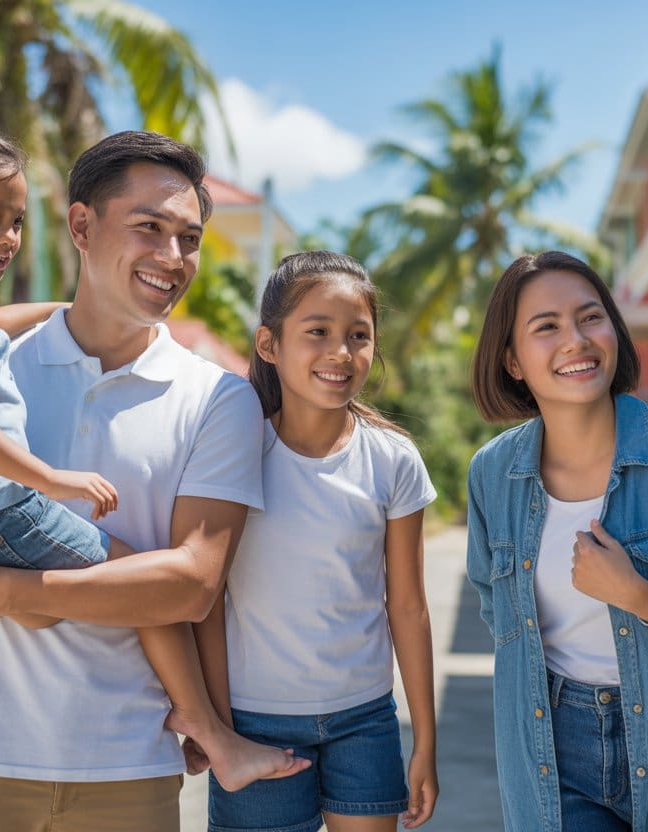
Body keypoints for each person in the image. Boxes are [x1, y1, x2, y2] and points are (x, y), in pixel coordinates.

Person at [0, 130, 307, 832]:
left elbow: (192, 584)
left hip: (124, 766)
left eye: (188, 238)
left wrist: (5, 591)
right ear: (80, 225)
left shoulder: (219, 400)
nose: (172, 257)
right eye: (149, 229)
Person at [465, 250, 648, 832]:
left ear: (615, 331)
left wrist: (640, 596)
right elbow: (493, 604)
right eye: (546, 327)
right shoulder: (491, 474)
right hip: (554, 746)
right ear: (513, 361)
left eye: (590, 317)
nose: (575, 339)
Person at [207, 251, 440, 832]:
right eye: (318, 332)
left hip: (364, 721)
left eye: (358, 336)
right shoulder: (234, 452)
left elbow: (408, 607)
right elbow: (205, 601)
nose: (341, 353)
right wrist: (217, 726)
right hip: (253, 720)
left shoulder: (393, 460)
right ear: (269, 345)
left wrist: (425, 742)